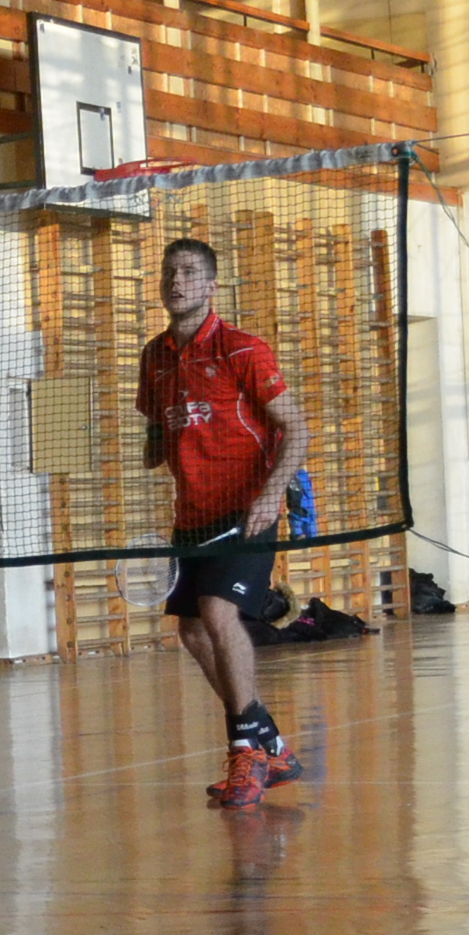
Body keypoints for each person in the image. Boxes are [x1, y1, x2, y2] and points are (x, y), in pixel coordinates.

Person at [137, 234, 309, 811]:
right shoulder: (155, 357)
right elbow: (155, 443)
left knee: (216, 612)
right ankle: (271, 744)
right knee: (190, 631)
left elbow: (297, 428)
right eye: (170, 272)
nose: (177, 281)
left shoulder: (242, 350)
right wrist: (160, 437)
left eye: (189, 272)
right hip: (193, 516)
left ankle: (244, 752)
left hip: (246, 510)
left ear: (211, 285)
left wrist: (271, 495)